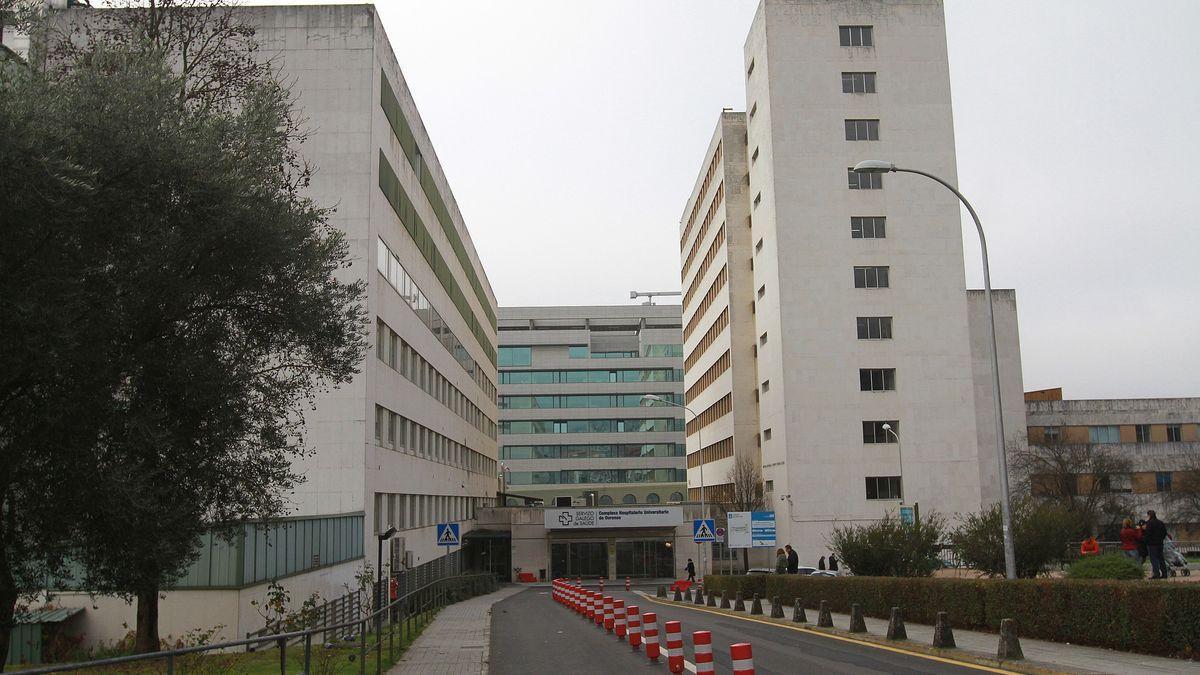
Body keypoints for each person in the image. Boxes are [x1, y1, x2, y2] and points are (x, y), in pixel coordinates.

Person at [1144, 510, 1169, 579]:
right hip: (1160, 543)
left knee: (1154, 559)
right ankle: (1164, 574)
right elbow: (1164, 532)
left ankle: (1156, 574)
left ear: (1149, 515)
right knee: (1161, 559)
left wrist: (1146, 541)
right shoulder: (1160, 522)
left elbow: (1148, 534)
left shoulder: (1149, 523)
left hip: (1152, 544)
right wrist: (1161, 539)